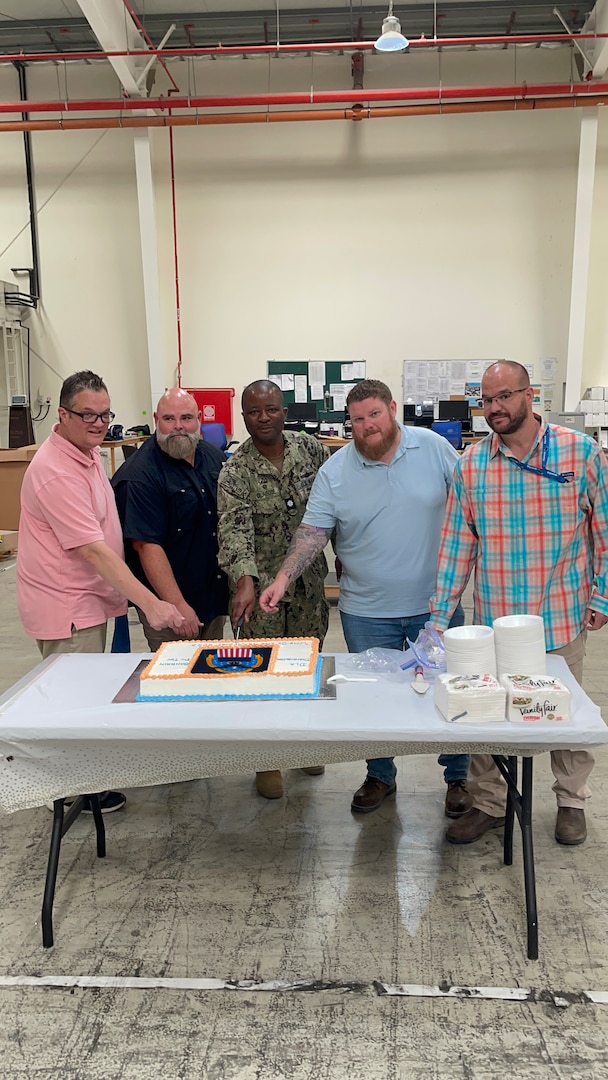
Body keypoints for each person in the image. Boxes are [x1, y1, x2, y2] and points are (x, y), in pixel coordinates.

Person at [259, 379, 470, 815]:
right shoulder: (335, 472)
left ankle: (458, 778)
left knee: (453, 693)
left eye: (374, 414)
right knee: (372, 702)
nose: (368, 426)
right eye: (357, 419)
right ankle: (380, 776)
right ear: (348, 423)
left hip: (437, 609)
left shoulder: (433, 448)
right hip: (366, 611)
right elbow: (313, 533)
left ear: (392, 408)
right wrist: (282, 578)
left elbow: (471, 505)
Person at [429, 360, 608, 846]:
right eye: (486, 400)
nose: (494, 408)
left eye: (504, 396)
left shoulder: (581, 453)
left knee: (562, 710)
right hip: (495, 619)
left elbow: (604, 530)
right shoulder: (471, 465)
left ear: (531, 395)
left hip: (561, 612)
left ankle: (571, 798)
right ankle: (491, 802)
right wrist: (439, 617)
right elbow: (456, 545)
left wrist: (602, 594)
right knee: (489, 712)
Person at [16, 370, 184, 814]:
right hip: (66, 606)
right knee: (69, 699)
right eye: (86, 414)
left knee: (85, 693)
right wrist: (152, 604)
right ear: (62, 413)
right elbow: (94, 552)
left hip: (87, 600)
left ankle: (80, 779)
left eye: (104, 414)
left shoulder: (84, 454)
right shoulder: (55, 472)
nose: (97, 423)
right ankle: (69, 793)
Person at [217, 379, 330, 800]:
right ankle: (266, 760)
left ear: (284, 411)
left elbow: (332, 508)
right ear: (243, 416)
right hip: (261, 589)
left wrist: (345, 555)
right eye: (253, 411)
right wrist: (243, 582)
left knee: (306, 666)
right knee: (261, 674)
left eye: (270, 409)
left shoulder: (312, 451)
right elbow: (233, 528)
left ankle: (303, 744)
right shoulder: (235, 469)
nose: (262, 418)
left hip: (307, 585)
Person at [112, 387, 228, 650]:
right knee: (175, 682)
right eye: (169, 419)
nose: (178, 426)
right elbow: (146, 545)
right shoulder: (140, 475)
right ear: (156, 419)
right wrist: (177, 604)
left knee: (211, 677)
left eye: (186, 418)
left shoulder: (214, 459)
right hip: (169, 607)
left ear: (199, 418)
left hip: (211, 598)